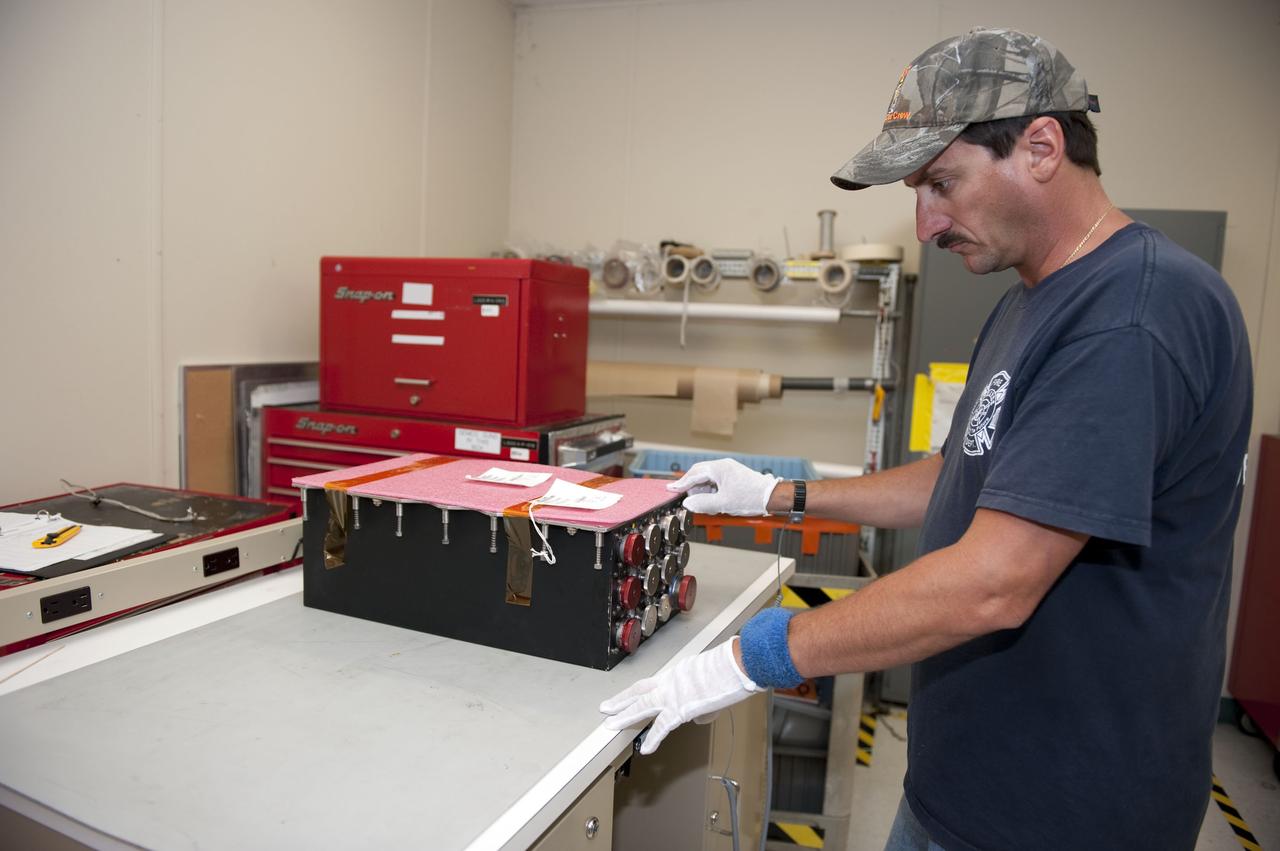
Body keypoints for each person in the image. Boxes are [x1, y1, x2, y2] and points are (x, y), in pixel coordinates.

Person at [599, 27, 1253, 851]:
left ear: (1042, 146)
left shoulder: (1129, 317)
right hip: (965, 788)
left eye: (942, 182)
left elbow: (993, 583)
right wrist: (779, 495)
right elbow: (963, 473)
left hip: (1064, 814)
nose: (924, 223)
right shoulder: (1032, 298)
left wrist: (743, 659)